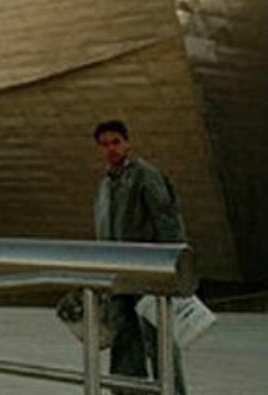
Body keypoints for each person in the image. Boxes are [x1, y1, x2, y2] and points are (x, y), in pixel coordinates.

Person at [92, 120, 187, 394]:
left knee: (160, 346)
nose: (111, 149)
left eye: (116, 142)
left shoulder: (145, 175)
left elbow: (168, 221)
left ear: (127, 143)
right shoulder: (105, 184)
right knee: (124, 346)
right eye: (104, 144)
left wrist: (174, 269)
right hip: (120, 279)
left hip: (148, 276)